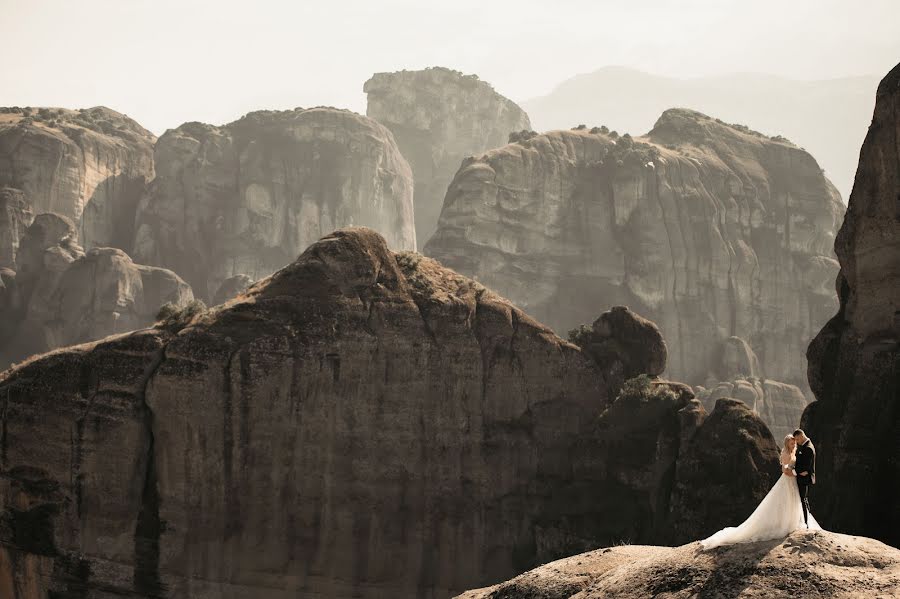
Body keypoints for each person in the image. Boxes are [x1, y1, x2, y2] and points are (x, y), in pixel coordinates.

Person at [699, 433, 820, 549]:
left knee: (794, 501)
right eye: (791, 443)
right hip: (788, 481)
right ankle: (785, 525)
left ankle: (793, 523)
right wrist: (794, 472)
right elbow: (784, 469)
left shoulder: (795, 451)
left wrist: (796, 471)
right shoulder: (785, 453)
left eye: (794, 442)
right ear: (787, 444)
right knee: (785, 502)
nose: (793, 444)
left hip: (794, 481)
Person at [792, 428, 816, 528]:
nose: (796, 442)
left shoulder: (808, 448)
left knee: (803, 500)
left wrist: (793, 470)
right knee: (803, 499)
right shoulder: (805, 446)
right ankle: (805, 522)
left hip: (804, 479)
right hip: (803, 477)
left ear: (801, 436)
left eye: (797, 439)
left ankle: (806, 523)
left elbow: (805, 468)